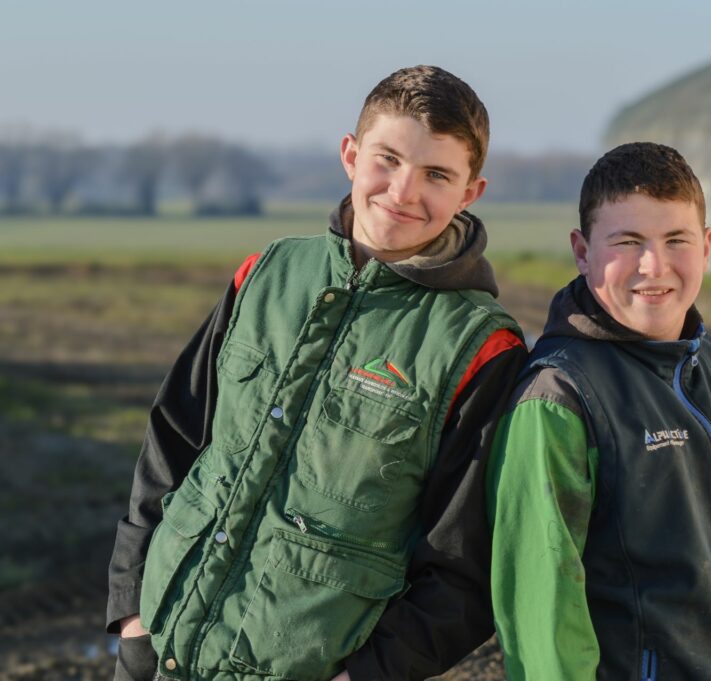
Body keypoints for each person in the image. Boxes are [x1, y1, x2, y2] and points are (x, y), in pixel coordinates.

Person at [106, 65, 527, 681]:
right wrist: (131, 614)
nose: (403, 192)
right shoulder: (266, 272)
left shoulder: (480, 347)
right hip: (154, 652)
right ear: (350, 155)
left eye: (436, 174)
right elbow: (171, 442)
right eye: (387, 159)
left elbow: (465, 567)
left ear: (471, 192)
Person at [487, 142, 711, 680]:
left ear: (707, 246)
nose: (655, 265)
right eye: (628, 242)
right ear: (582, 251)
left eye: (677, 240)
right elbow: (541, 608)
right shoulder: (558, 398)